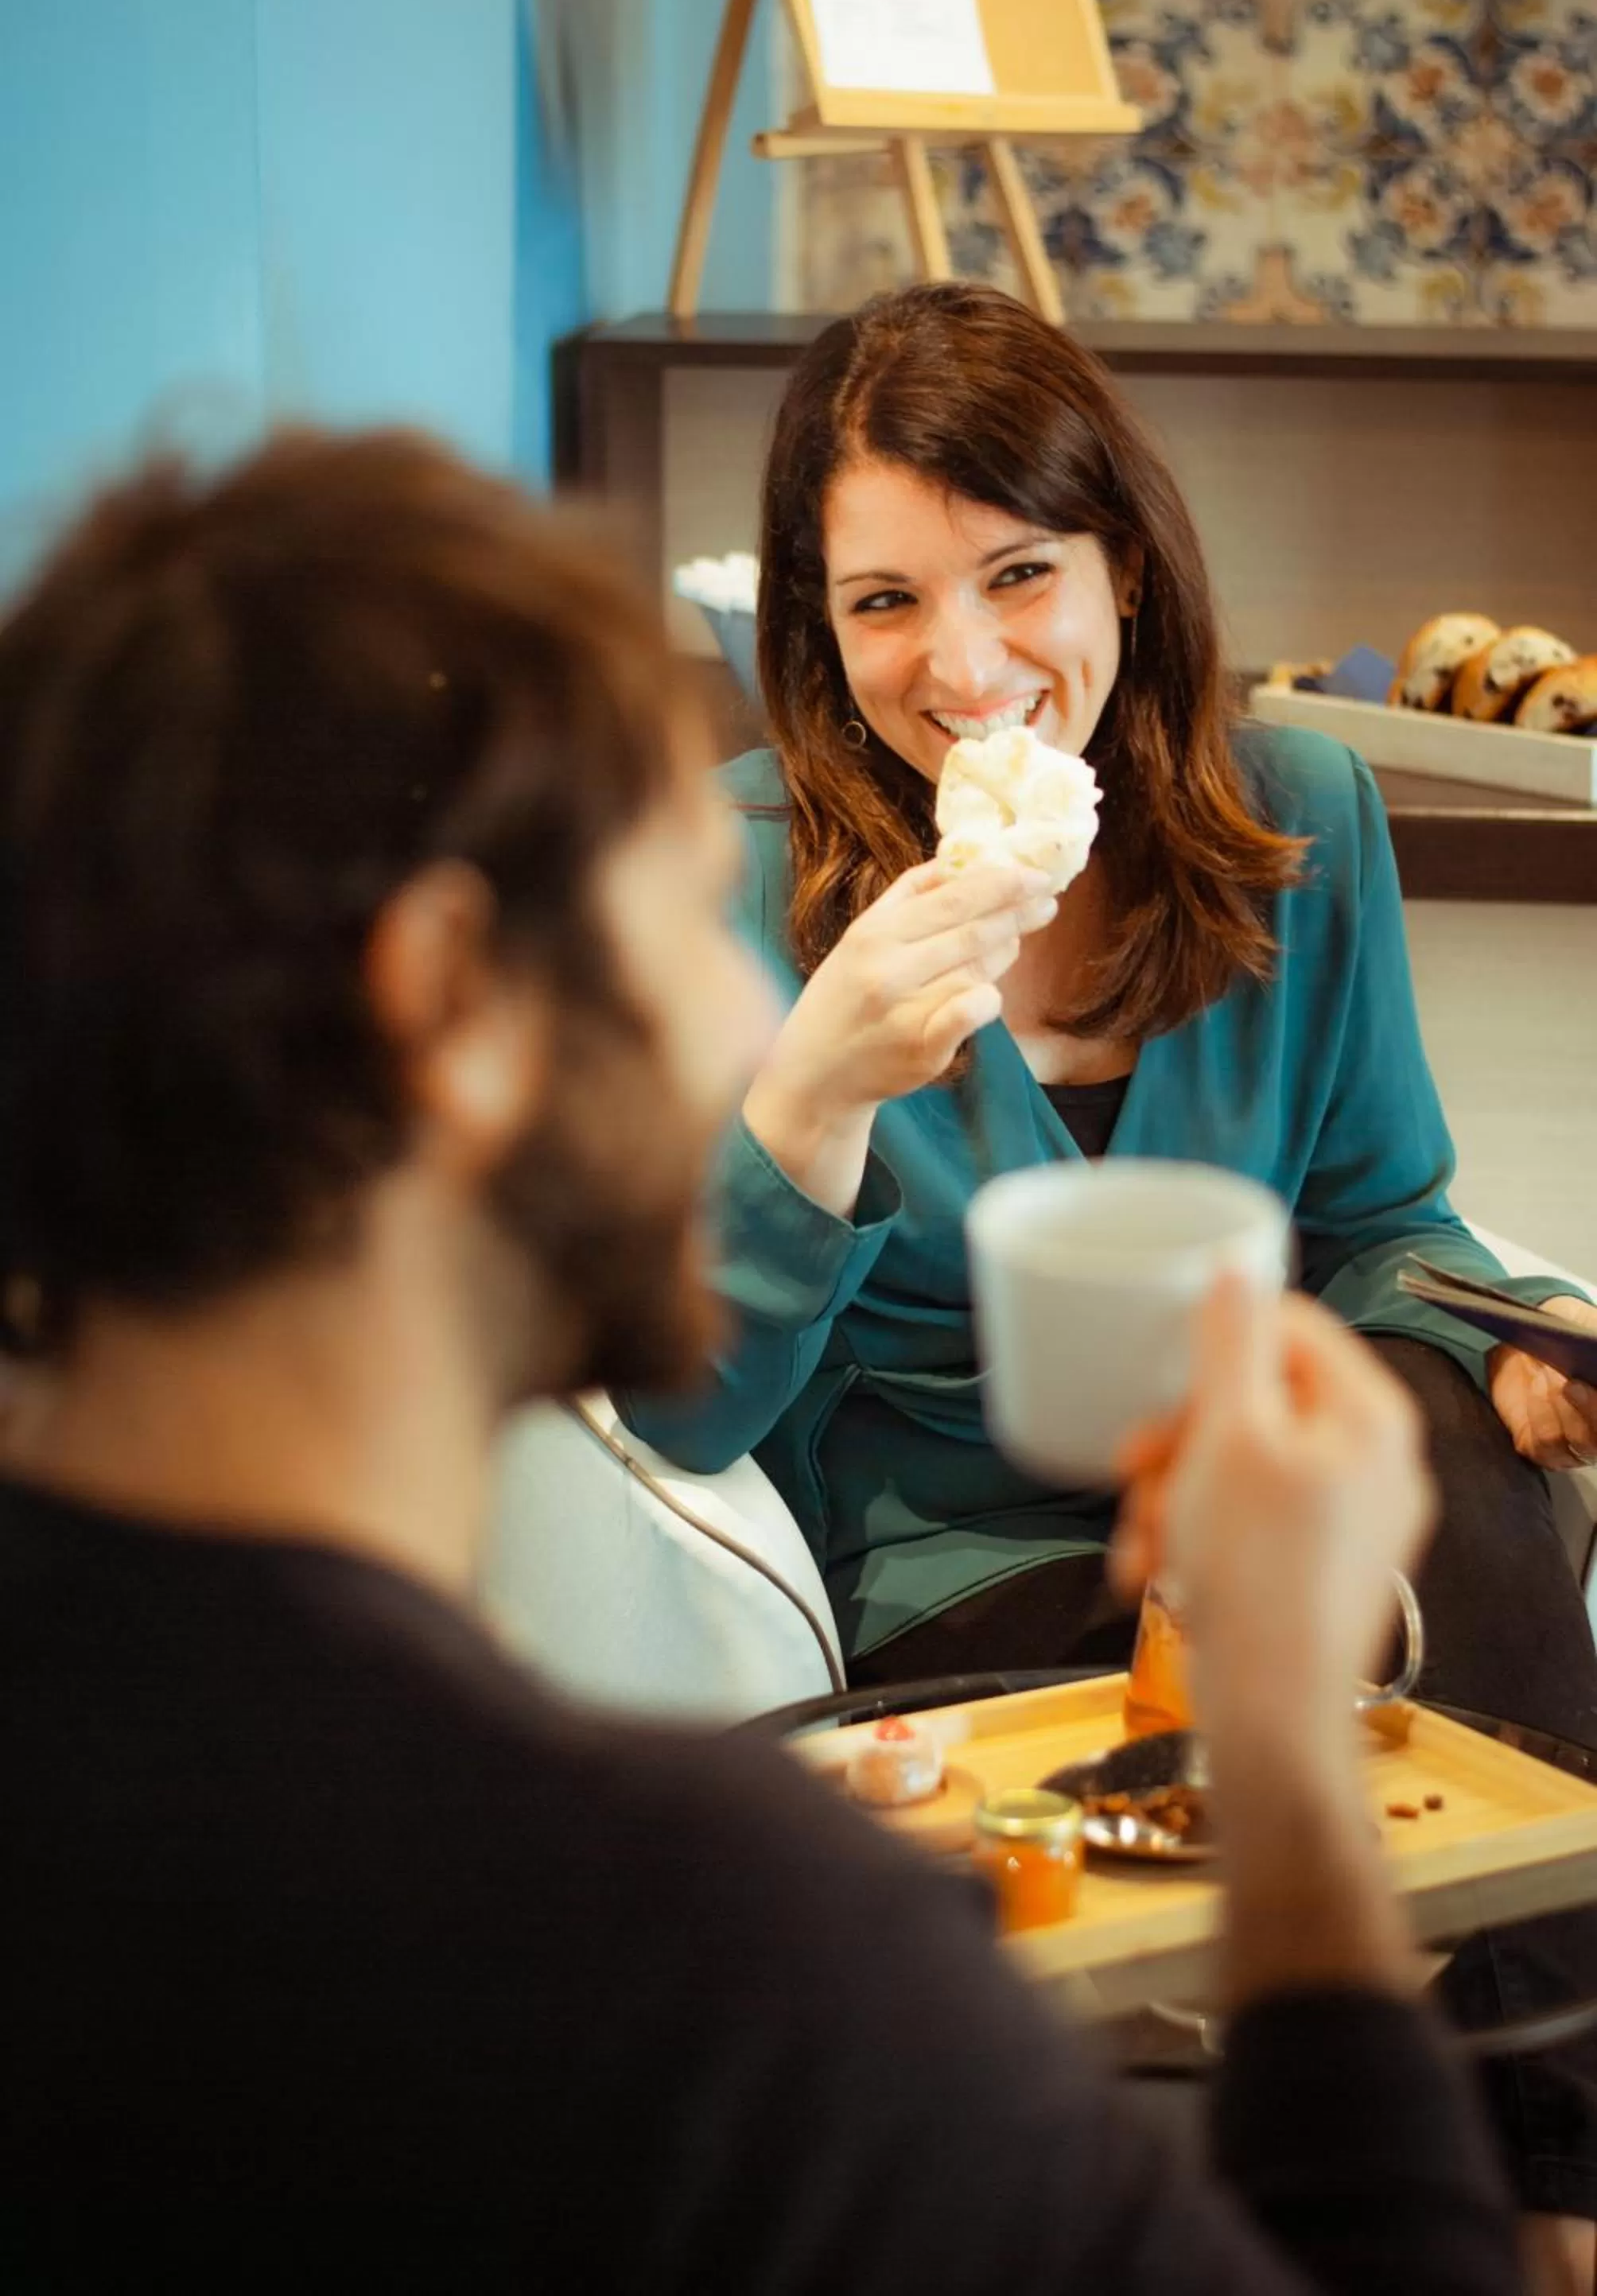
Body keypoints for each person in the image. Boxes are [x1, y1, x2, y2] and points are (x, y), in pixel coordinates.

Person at [0, 429, 1520, 2291]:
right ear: (451, 1001)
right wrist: (1281, 1776)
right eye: (670, 926)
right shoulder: (717, 1963)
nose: (744, 1009)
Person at [616, 280, 1597, 2266]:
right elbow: (686, 1409)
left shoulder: (1296, 820)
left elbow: (1384, 1219)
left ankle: (1547, 2193)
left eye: (1016, 575)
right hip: (963, 1581)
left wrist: (1511, 1344)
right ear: (814, 628)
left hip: (1265, 1502)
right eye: (881, 601)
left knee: (1466, 1461)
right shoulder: (729, 883)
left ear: (1125, 574)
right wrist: (806, 1089)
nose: (963, 667)